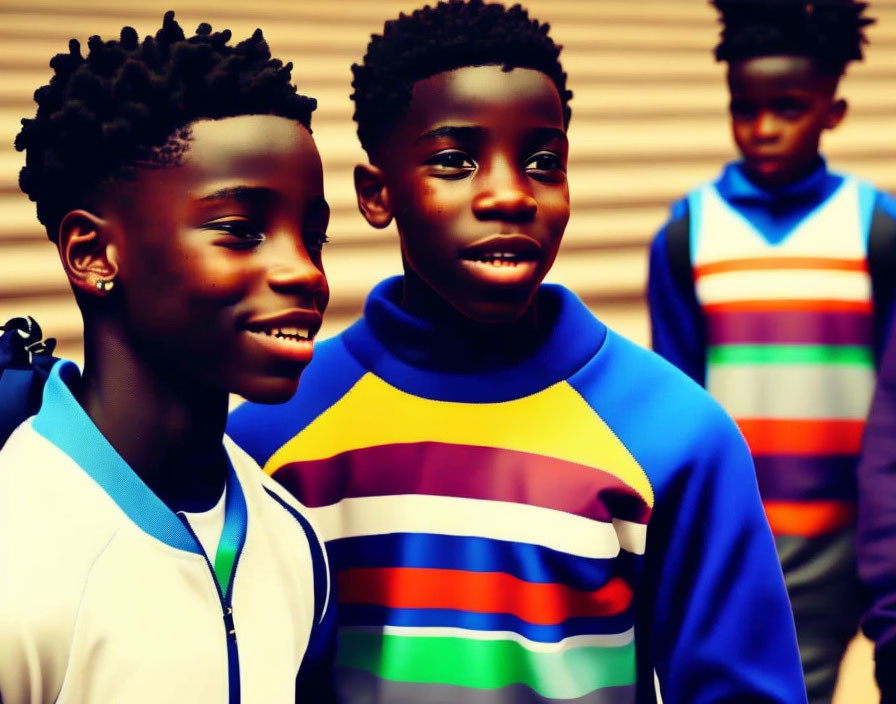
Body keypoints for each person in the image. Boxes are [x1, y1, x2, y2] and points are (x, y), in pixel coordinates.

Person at [229, 1, 806, 702]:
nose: (508, 195)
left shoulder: (678, 434)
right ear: (376, 195)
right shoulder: (269, 432)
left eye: (542, 161)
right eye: (454, 160)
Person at [0, 13, 335, 703]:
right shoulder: (15, 558)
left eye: (313, 235)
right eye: (242, 231)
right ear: (93, 255)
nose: (304, 271)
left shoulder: (294, 538)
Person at [647, 1, 896, 701]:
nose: (762, 128)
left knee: (805, 680)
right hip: (735, 522)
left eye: (787, 108)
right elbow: (677, 388)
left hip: (842, 531)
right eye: (745, 108)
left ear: (833, 111)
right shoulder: (688, 232)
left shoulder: (874, 228)